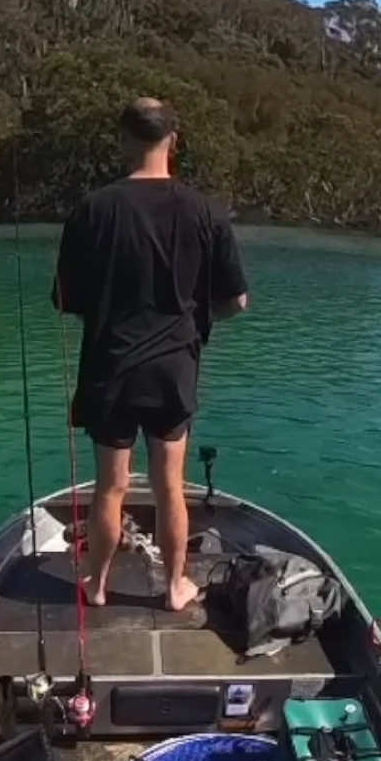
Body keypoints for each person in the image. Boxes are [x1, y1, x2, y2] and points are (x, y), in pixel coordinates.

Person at [53, 97, 248, 612]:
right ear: (173, 141)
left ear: (123, 140)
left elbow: (66, 301)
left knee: (110, 488)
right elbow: (237, 302)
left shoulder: (92, 209)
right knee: (169, 488)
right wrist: (195, 321)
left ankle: (95, 587)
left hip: (110, 366)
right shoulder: (205, 211)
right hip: (174, 370)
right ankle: (175, 588)